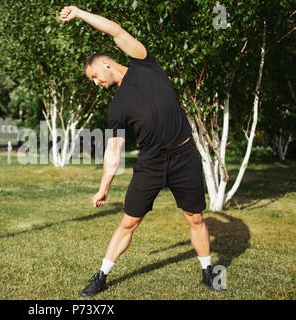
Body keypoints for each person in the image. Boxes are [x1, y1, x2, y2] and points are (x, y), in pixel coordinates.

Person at [59, 6, 223, 297]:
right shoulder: (116, 107)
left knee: (195, 217)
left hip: (184, 155)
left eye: (95, 76)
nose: (96, 83)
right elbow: (114, 151)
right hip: (151, 163)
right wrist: (103, 188)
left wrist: (80, 13)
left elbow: (115, 30)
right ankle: (101, 275)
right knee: (128, 222)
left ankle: (207, 272)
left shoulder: (143, 63)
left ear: (106, 64)